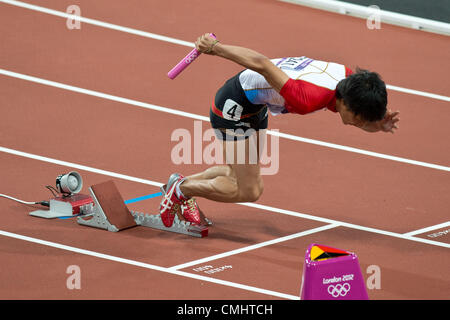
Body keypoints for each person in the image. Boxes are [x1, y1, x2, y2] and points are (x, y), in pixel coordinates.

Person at [158, 33, 400, 227]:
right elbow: (262, 64)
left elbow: (361, 112)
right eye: (358, 120)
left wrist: (377, 122)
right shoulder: (308, 96)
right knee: (249, 189)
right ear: (346, 103)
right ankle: (181, 190)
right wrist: (216, 47)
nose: (357, 125)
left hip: (256, 105)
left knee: (239, 171)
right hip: (234, 106)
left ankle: (179, 183)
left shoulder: (352, 82)